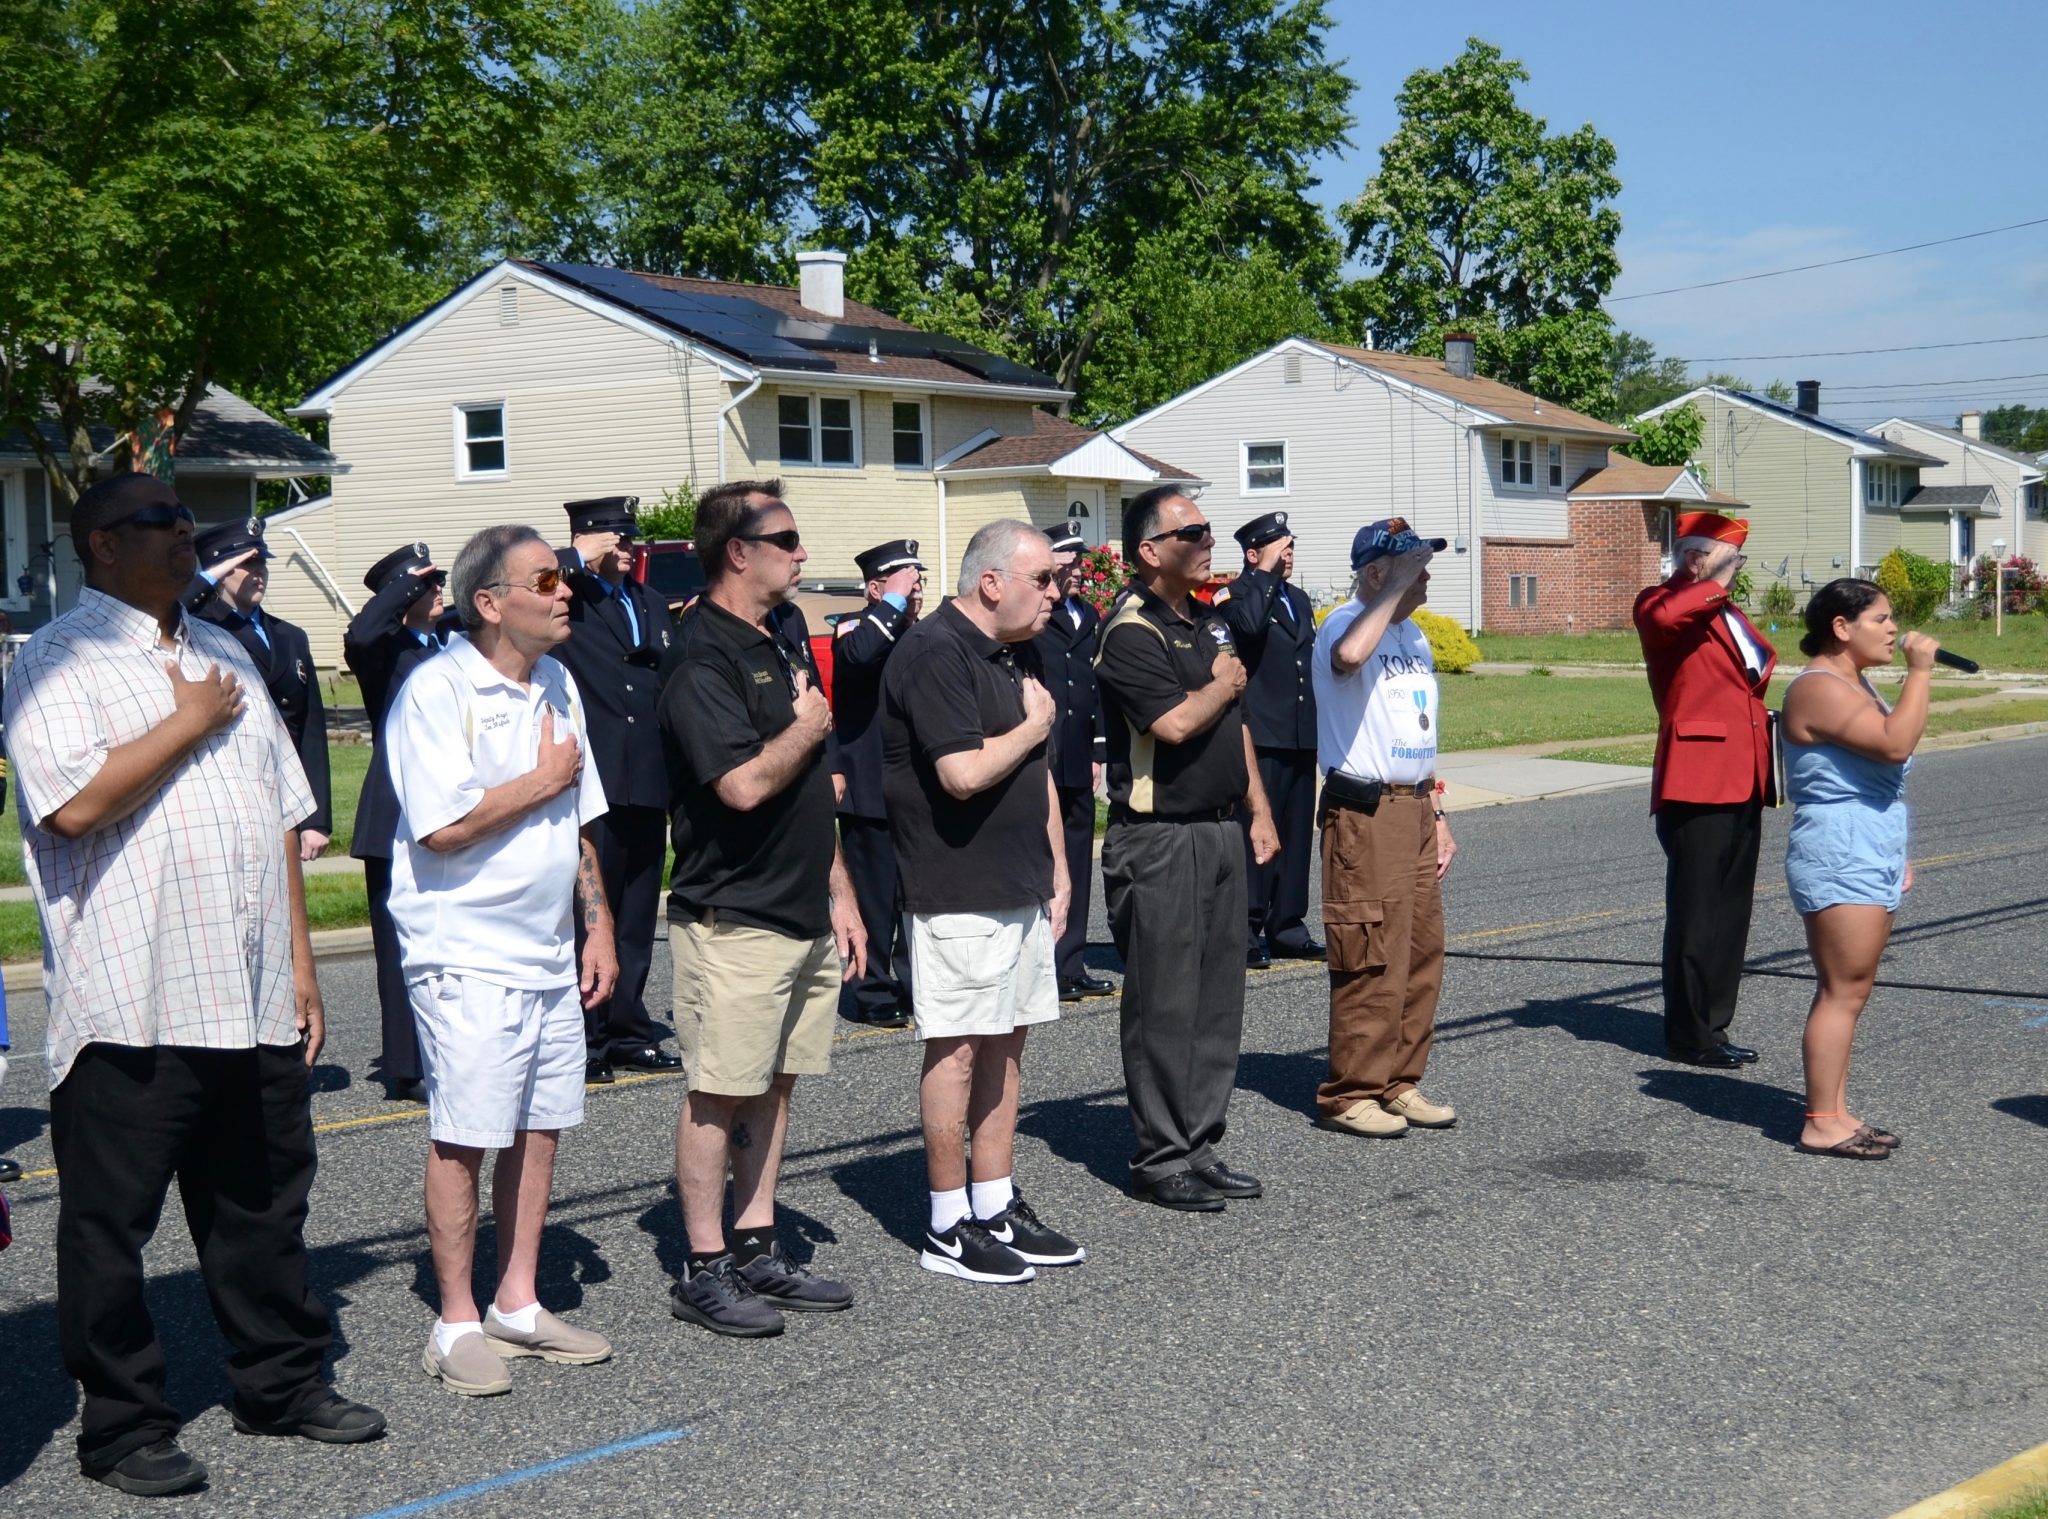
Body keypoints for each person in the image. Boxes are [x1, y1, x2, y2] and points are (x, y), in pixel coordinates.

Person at [3, 472, 384, 1496]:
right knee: (108, 1229)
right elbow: (72, 810)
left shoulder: (225, 654)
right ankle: (124, 1427)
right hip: (133, 993)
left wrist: (302, 969)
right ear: (100, 547)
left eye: (183, 519)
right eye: (157, 522)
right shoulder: (55, 660)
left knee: (260, 1211)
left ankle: (281, 1384)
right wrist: (184, 723)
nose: (182, 534)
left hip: (250, 989)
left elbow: (277, 819)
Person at [386, 525, 619, 1396]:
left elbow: (577, 819)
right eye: (547, 579)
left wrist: (593, 927)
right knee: (466, 1134)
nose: (568, 593)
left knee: (539, 1124)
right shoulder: (435, 689)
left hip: (548, 949)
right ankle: (453, 1320)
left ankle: (517, 1299)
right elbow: (442, 826)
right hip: (466, 951)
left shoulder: (557, 681)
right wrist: (539, 781)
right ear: (489, 603)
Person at [661, 480, 867, 1336]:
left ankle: (756, 1241)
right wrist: (809, 730)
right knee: (720, 1089)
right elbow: (743, 783)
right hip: (733, 913)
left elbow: (809, 791)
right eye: (785, 538)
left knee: (776, 1085)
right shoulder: (699, 653)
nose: (802, 552)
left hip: (800, 909)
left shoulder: (775, 635)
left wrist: (842, 892)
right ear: (737, 551)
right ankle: (704, 1265)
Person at [885, 519, 1084, 1285]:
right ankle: (946, 1222)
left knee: (1008, 1043)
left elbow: (1034, 775)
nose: (1056, 592)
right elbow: (962, 774)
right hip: (956, 888)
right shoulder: (935, 651)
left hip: (1021, 880)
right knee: (960, 1048)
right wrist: (1035, 723)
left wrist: (1060, 870)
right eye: (1044, 580)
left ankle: (993, 1202)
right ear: (991, 581)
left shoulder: (1012, 651)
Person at [1095, 486, 1279, 1212]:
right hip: (1160, 837)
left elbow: (1234, 726)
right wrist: (1223, 679)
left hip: (1220, 827)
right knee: (1165, 1004)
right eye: (1192, 532)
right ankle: (1160, 1155)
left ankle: (1200, 1142)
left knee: (1215, 1000)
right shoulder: (1130, 629)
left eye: (1207, 529)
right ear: (1150, 551)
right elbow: (1171, 725)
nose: (1208, 540)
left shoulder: (1207, 621)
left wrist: (1259, 810)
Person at [1309, 519, 1460, 1138]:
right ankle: (1352, 1092)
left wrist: (1438, 812)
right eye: (1412, 566)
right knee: (1370, 952)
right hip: (1365, 814)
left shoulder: (1413, 636)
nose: (1425, 576)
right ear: (1377, 573)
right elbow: (1348, 660)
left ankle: (1400, 1081)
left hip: (1415, 808)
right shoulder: (1345, 625)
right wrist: (1388, 592)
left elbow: (1417, 735)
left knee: (1421, 952)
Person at [1780, 580, 1932, 1160]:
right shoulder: (1818, 688)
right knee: (1841, 991)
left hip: (1869, 844)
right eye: (1881, 619)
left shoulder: (1854, 681)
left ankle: (1837, 1111)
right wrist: (1920, 672)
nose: (1894, 630)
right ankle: (1821, 1121)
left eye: (1894, 619)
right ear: (1841, 628)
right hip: (1839, 849)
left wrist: (1894, 853)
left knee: (1854, 989)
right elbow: (1895, 745)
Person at [1633, 511, 1776, 1069]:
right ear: (1698, 558)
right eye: (1732, 559)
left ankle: (1715, 1025)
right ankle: (1688, 1033)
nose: (1739, 570)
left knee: (1730, 910)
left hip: (1745, 773)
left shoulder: (1726, 611)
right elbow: (1668, 618)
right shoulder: (1659, 600)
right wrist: (1710, 581)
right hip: (1696, 777)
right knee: (1695, 913)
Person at [552, 495, 679, 1083]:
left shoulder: (650, 602)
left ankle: (629, 1030)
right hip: (595, 773)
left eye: (632, 539)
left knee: (634, 913)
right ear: (589, 538)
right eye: (616, 539)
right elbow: (521, 582)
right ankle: (589, 1038)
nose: (629, 549)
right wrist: (575, 557)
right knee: (592, 913)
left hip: (647, 775)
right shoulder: (565, 598)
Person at [344, 541, 449, 1102]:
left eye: (437, 585)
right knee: (398, 946)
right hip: (397, 812)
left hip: (451, 807)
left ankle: (444, 1050)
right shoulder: (382, 650)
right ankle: (406, 1065)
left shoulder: (451, 643)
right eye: (426, 587)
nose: (437, 594)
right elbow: (360, 633)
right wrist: (405, 586)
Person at [183, 515, 332, 860]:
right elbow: (164, 613)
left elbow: (310, 729)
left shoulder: (290, 637)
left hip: (287, 793)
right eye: (245, 564)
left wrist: (316, 819)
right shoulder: (197, 630)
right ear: (220, 570)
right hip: (229, 793)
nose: (258, 572)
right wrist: (206, 577)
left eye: (262, 562)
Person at [1215, 510, 1322, 968]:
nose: (1289, 554)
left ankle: (1287, 925)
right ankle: (1246, 927)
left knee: (1296, 836)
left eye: (1292, 546)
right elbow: (1248, 629)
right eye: (1281, 548)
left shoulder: (1297, 597)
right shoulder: (1233, 596)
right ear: (1254, 554)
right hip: (1260, 734)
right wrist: (1261, 575)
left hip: (1299, 733)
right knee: (1257, 833)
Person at [832, 538, 925, 1027]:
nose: (915, 590)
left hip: (918, 788)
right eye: (904, 582)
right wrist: (890, 605)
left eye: (918, 581)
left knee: (917, 897)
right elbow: (861, 656)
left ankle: (914, 986)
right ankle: (871, 992)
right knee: (872, 901)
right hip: (870, 788)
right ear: (874, 588)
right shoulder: (856, 627)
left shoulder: (921, 632)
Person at [1025, 520, 1112, 1001]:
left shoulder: (1088, 615)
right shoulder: (1035, 615)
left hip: (1078, 751)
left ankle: (1071, 963)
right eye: (1068, 562)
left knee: (1077, 859)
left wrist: (1098, 748)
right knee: (1044, 858)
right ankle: (1042, 963)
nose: (1078, 569)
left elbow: (1093, 687)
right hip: (1042, 751)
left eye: (1080, 562)